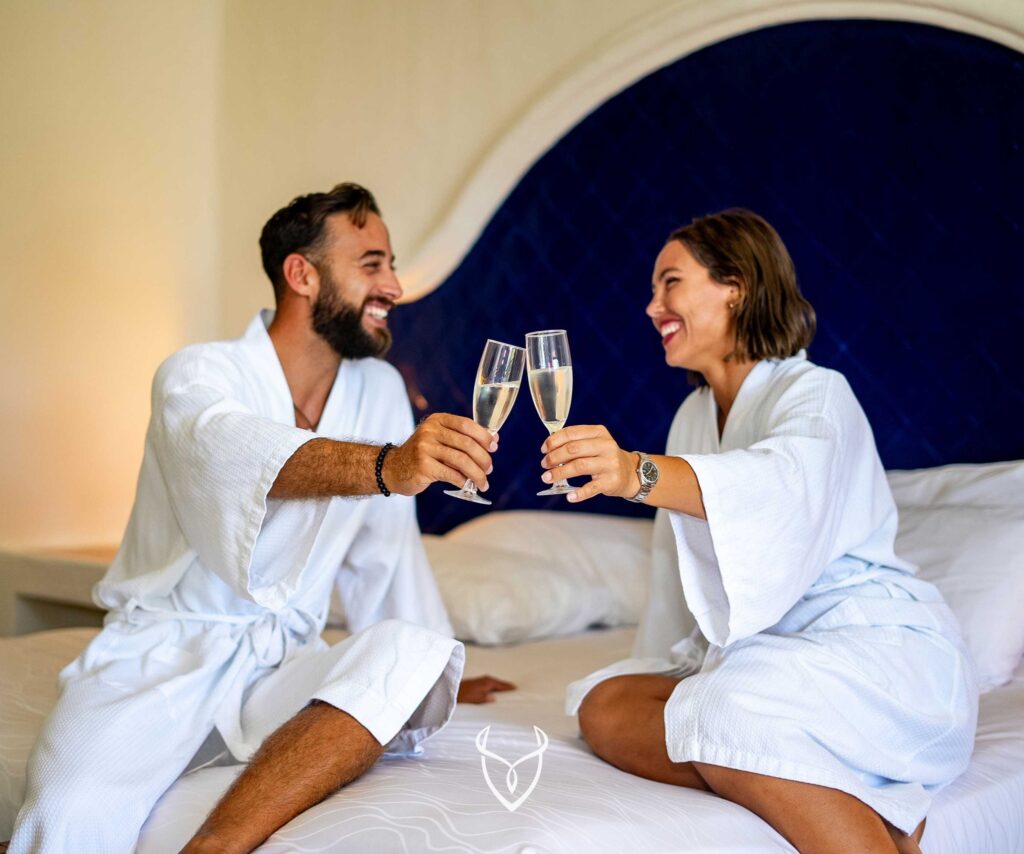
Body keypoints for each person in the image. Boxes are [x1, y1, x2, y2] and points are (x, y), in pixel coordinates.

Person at [11, 183, 513, 854]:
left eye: (392, 264)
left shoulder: (380, 391)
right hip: (164, 659)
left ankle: (215, 845)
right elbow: (234, 452)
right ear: (301, 273)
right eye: (372, 264)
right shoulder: (196, 374)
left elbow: (385, 556)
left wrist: (431, 675)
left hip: (283, 665)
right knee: (71, 811)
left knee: (417, 652)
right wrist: (389, 466)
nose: (394, 284)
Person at [542, 209, 977, 853]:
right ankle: (860, 798)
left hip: (873, 652)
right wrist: (683, 666)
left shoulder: (817, 394)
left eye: (670, 283)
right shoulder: (693, 417)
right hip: (764, 658)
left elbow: (779, 484)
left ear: (735, 286)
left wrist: (635, 473)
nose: (651, 306)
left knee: (723, 710)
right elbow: (678, 577)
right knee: (603, 705)